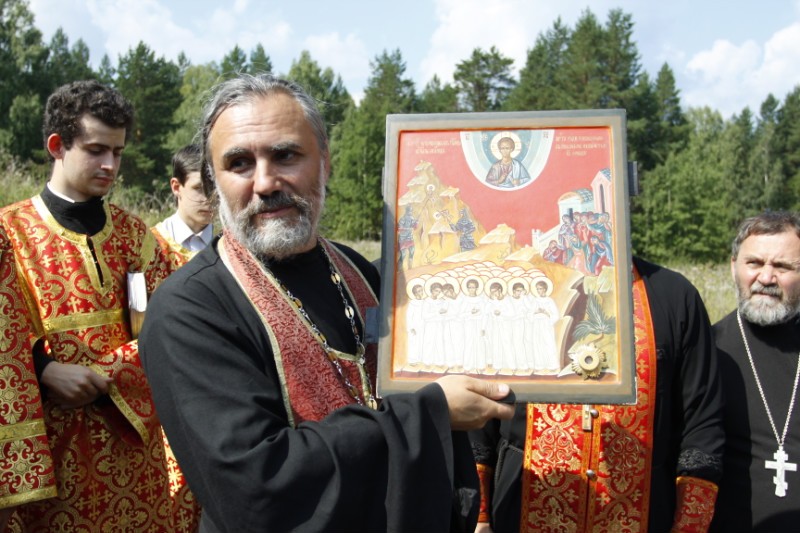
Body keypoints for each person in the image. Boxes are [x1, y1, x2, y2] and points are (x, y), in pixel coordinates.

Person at [138, 73, 515, 533]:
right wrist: (430, 413)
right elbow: (257, 486)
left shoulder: (360, 272)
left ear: (325, 163)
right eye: (239, 163)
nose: (265, 182)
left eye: (285, 155)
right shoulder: (189, 309)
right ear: (215, 182)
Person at [0, 80, 196, 532]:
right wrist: (43, 369)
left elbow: (174, 320)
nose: (110, 165)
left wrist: (112, 372)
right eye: (96, 150)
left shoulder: (135, 235)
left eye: (118, 152)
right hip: (51, 459)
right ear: (57, 146)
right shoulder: (10, 234)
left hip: (134, 455)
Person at [470, 256, 725, 532]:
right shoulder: (518, 287)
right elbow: (479, 412)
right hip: (522, 505)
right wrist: (479, 517)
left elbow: (701, 421)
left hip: (642, 511)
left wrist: (689, 525)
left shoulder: (675, 295)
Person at [711, 211, 800, 531]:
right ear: (733, 266)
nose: (766, 277)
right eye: (755, 263)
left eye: (783, 266)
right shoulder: (708, 350)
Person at [152, 143, 214, 266]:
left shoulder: (232, 246)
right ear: (176, 187)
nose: (210, 198)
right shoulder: (150, 244)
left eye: (215, 188)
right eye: (199, 188)